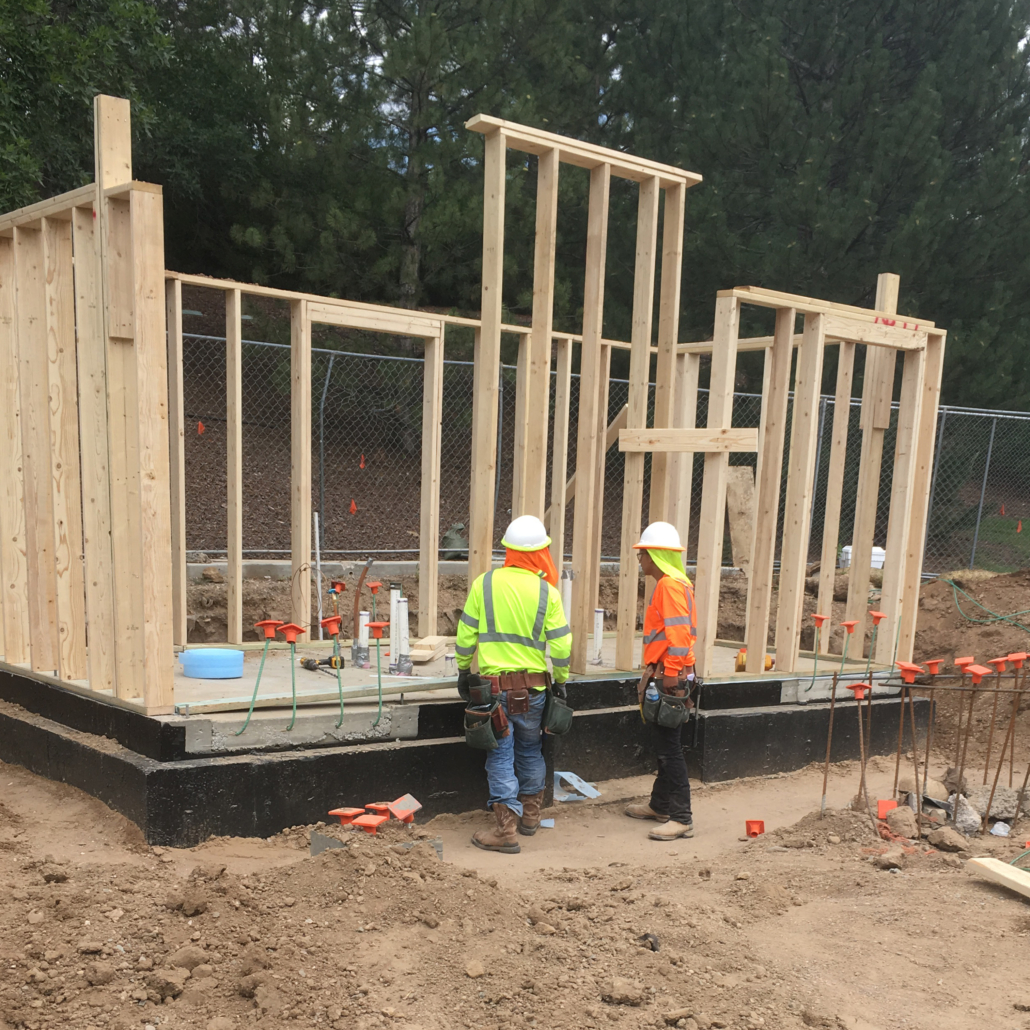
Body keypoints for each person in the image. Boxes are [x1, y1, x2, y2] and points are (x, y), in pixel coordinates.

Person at [455, 515, 572, 854]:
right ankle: (531, 817)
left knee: (500, 755)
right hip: (534, 691)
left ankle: (505, 830)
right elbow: (562, 646)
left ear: (507, 549)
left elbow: (466, 636)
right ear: (540, 552)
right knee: (530, 749)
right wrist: (560, 681)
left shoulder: (485, 584)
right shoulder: (546, 592)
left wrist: (464, 670)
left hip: (494, 693)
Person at [624, 520, 698, 841]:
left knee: (670, 750)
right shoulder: (676, 584)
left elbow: (679, 635)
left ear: (655, 555)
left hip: (671, 675)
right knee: (666, 745)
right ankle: (660, 805)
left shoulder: (669, 586)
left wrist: (669, 674)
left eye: (642, 554)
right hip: (673, 673)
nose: (639, 559)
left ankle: (681, 817)